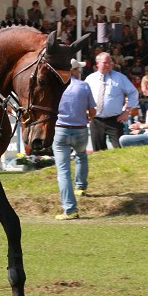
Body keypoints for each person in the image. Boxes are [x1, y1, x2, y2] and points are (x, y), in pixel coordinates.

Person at [52, 65, 96, 220]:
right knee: (81, 155)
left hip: (60, 130)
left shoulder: (55, 87)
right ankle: (81, 187)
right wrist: (88, 118)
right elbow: (92, 111)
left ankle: (70, 208)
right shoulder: (84, 86)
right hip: (80, 128)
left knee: (63, 171)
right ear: (75, 70)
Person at [87, 51, 139, 150]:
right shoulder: (90, 79)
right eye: (105, 62)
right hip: (96, 120)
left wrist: (127, 111)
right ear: (97, 64)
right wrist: (86, 110)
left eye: (110, 62)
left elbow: (133, 93)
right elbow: (84, 96)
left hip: (114, 120)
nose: (108, 65)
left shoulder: (119, 78)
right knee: (98, 153)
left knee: (119, 150)